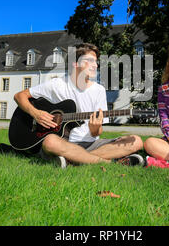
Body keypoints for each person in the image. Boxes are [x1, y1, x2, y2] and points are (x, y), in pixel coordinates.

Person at [13, 43, 144, 168]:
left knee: (136, 141)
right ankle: (108, 162)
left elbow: (97, 133)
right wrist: (36, 113)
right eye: (90, 61)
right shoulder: (56, 84)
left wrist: (95, 128)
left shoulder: (98, 90)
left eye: (96, 61)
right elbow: (19, 96)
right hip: (63, 143)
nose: (95, 65)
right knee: (50, 142)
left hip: (91, 144)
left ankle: (74, 159)